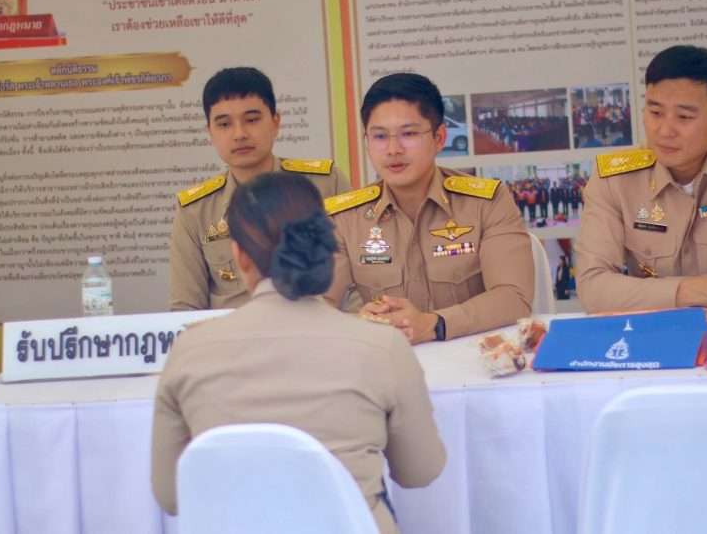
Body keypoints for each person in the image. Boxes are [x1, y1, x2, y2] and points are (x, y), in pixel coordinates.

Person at [152, 173, 445, 533]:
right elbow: (420, 471)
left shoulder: (190, 350)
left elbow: (171, 494)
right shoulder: (382, 346)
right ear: (323, 248)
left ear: (239, 256)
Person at [575, 45, 707, 313]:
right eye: (655, 113)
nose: (665, 130)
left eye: (684, 117)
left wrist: (654, 295)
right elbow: (593, 289)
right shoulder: (615, 179)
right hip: (657, 331)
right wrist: (700, 290)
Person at [323, 72, 534, 343]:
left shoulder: (486, 202)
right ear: (367, 142)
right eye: (380, 136)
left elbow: (514, 297)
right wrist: (357, 325)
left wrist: (434, 324)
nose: (393, 149)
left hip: (473, 358)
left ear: (439, 137)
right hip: (388, 359)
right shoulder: (345, 218)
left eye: (408, 133)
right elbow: (315, 306)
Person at [169, 67, 350, 311]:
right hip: (235, 334)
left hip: (319, 328)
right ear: (210, 132)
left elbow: (359, 277)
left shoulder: (326, 184)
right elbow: (186, 307)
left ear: (275, 123)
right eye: (224, 124)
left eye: (252, 120)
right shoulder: (195, 210)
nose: (239, 134)